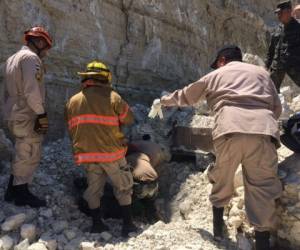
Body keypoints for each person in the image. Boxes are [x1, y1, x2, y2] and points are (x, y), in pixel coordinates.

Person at [153, 45, 282, 250]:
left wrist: (164, 101)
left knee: (222, 177)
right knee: (262, 187)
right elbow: (277, 107)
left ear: (222, 60)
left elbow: (188, 95)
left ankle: (217, 231)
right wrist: (260, 124)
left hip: (229, 129)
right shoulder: (262, 74)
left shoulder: (217, 74)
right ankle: (263, 243)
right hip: (263, 131)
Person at [65, 60, 137, 236]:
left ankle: (97, 224)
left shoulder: (73, 101)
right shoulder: (113, 97)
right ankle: (127, 225)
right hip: (111, 154)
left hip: (87, 155)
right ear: (106, 78)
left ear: (87, 78)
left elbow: (72, 129)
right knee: (123, 186)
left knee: (93, 189)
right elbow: (129, 119)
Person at [3, 26, 52, 208]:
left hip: (13, 112)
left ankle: (11, 190)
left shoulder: (12, 58)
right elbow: (32, 90)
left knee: (21, 149)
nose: (46, 51)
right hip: (26, 113)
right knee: (29, 151)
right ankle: (22, 194)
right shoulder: (32, 59)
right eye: (46, 47)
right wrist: (41, 114)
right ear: (39, 42)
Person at [74, 135, 165, 224]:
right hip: (154, 185)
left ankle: (130, 218)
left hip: (139, 186)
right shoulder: (142, 155)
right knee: (148, 201)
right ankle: (153, 218)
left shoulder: (123, 160)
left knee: (122, 199)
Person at [265, 1, 300, 92]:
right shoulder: (277, 30)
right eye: (277, 13)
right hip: (277, 67)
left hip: (295, 67)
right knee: (270, 90)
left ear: (288, 12)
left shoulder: (298, 28)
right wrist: (266, 66)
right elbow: (271, 51)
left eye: (280, 13)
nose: (278, 16)